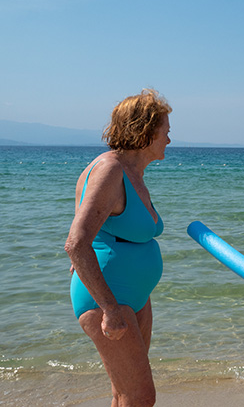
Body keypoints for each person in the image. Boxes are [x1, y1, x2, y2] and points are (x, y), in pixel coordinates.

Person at [65, 89, 172, 406]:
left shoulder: (132, 173)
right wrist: (110, 309)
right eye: (165, 131)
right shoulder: (109, 171)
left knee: (124, 394)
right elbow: (76, 243)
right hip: (110, 298)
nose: (169, 138)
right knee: (140, 396)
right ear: (146, 130)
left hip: (134, 296)